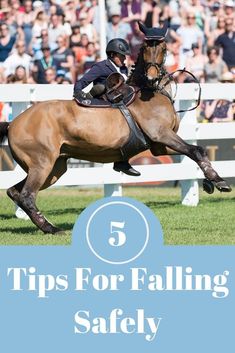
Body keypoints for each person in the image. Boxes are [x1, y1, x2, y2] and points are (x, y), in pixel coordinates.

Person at [73, 38, 140, 177]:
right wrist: (80, 94)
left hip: (119, 104)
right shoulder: (101, 67)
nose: (124, 58)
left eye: (125, 56)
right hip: (103, 104)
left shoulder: (123, 68)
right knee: (100, 87)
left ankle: (122, 161)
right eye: (121, 56)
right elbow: (82, 82)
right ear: (112, 55)